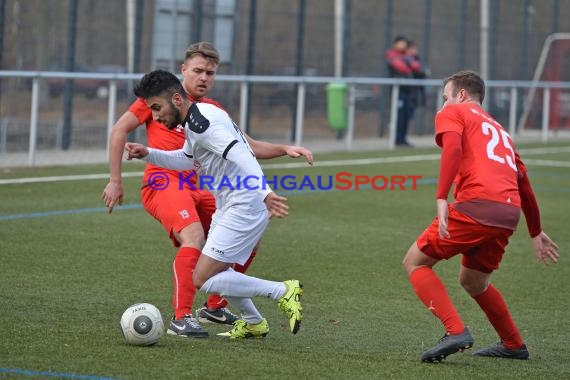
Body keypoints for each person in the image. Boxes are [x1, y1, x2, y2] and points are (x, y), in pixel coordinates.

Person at [102, 42, 313, 338]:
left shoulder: (203, 120)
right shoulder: (195, 116)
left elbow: (242, 154)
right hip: (222, 199)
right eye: (198, 70)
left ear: (174, 99)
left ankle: (282, 291)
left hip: (242, 200)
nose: (157, 116)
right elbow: (187, 159)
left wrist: (265, 191)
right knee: (219, 264)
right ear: (183, 71)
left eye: (209, 72)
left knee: (205, 276)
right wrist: (146, 153)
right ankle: (251, 321)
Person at [402, 70, 560, 363]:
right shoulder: (501, 131)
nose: (443, 104)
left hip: (477, 205)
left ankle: (455, 331)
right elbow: (523, 182)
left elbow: (452, 149)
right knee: (474, 281)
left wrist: (441, 196)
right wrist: (535, 231)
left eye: (446, 97)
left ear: (461, 95)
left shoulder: (455, 111)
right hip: (507, 214)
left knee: (415, 261)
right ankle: (514, 344)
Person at [385, 35, 415, 147]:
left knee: (406, 115)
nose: (404, 45)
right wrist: (408, 65)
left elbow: (416, 67)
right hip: (398, 91)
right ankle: (396, 139)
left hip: (407, 89)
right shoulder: (392, 54)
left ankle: (402, 139)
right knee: (399, 115)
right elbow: (402, 68)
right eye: (401, 43)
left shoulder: (407, 55)